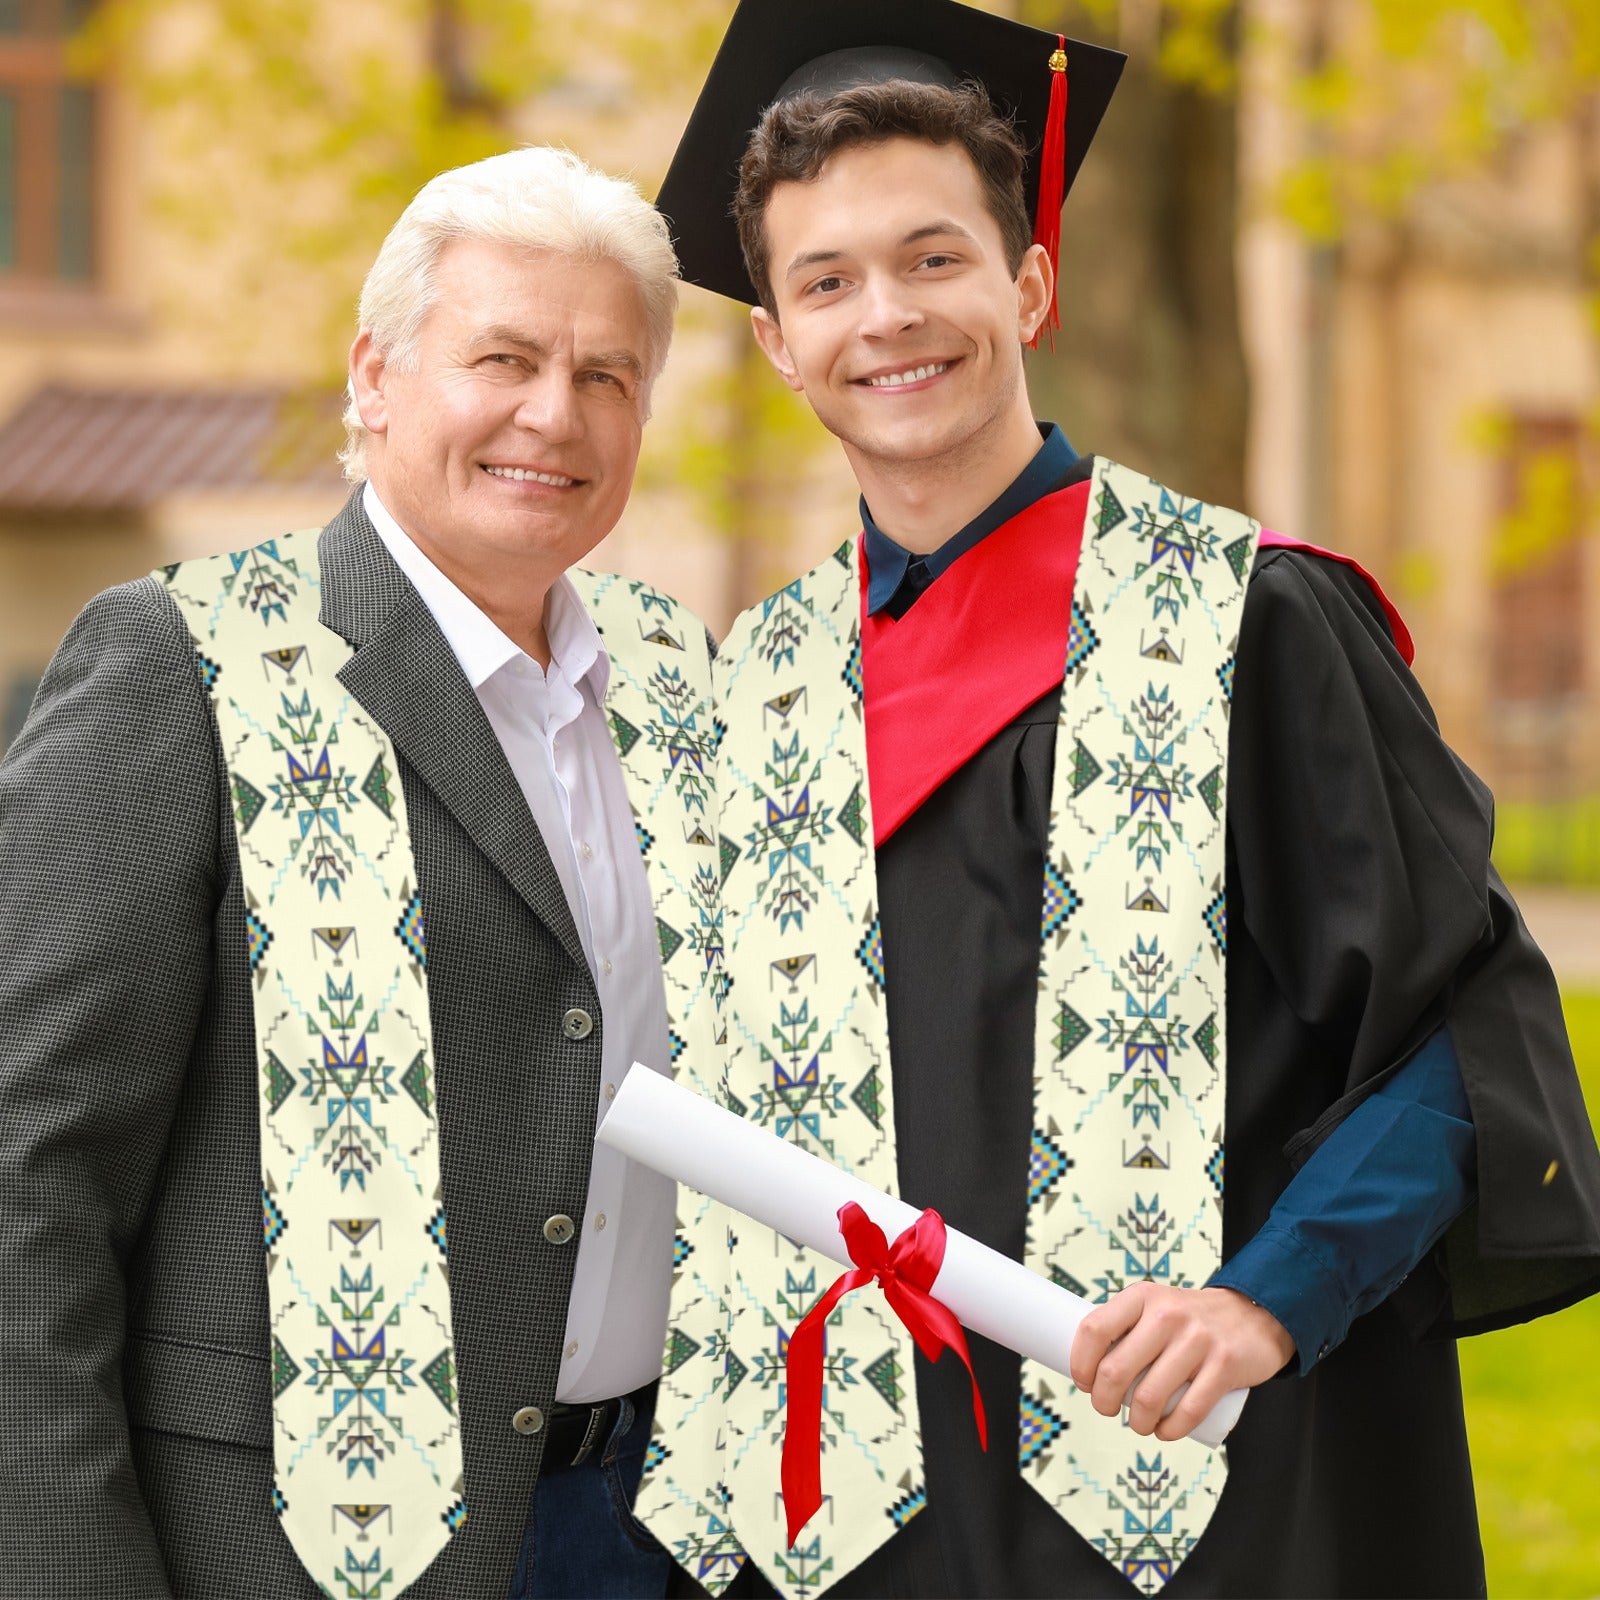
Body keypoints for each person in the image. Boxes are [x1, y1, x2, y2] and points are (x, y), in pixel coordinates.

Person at [626, 3, 1600, 1596]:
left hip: (1205, 1494)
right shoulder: (760, 691)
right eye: (828, 281)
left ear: (1030, 282)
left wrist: (1268, 1300)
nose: (888, 316)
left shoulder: (1251, 621)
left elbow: (1461, 1036)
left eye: (935, 259)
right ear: (778, 342)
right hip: (858, 1528)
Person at [0, 146, 724, 1598]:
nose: (553, 413)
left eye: (606, 375)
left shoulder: (681, 686)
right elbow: (30, 1177)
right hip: (288, 1551)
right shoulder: (185, 665)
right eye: (503, 357)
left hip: (656, 1530)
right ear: (376, 377)